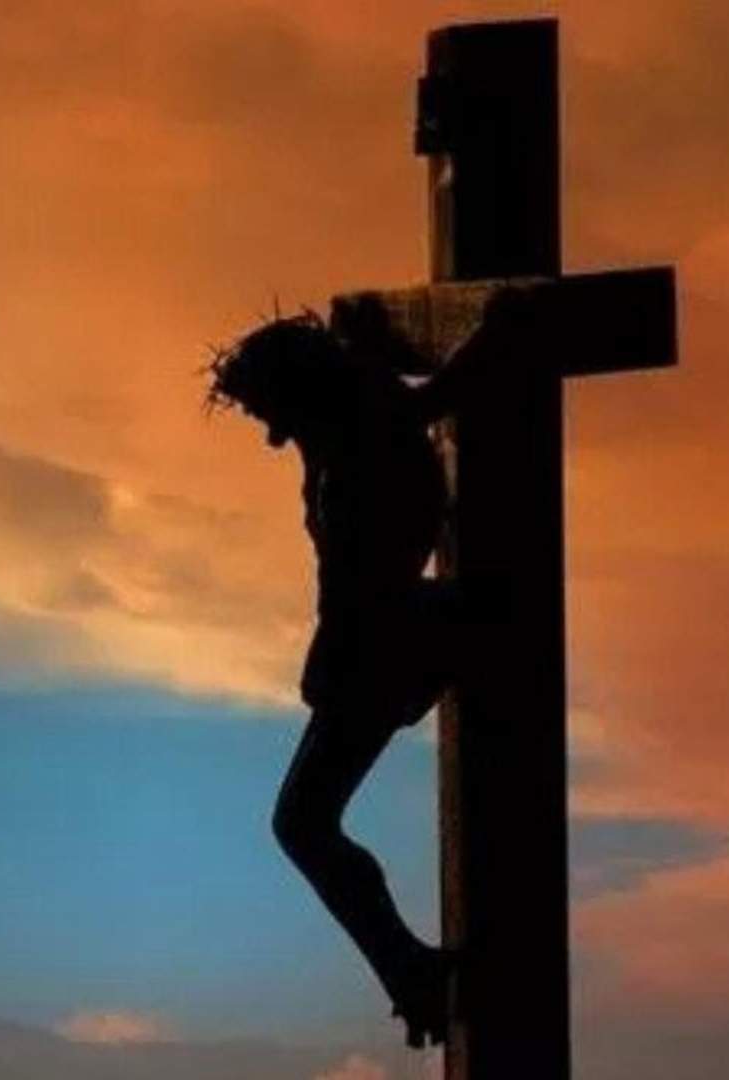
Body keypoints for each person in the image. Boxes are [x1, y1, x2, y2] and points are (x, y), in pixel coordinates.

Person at [206, 290, 534, 1048]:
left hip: (390, 639)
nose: (270, 436)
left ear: (300, 391)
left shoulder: (363, 426)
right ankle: (408, 970)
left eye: (268, 414)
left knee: (303, 822)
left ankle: (410, 971)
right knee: (303, 822)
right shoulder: (342, 426)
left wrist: (502, 331)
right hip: (376, 640)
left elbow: (446, 395)